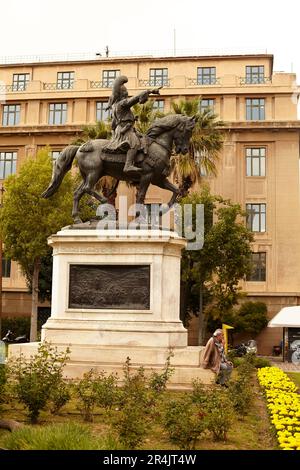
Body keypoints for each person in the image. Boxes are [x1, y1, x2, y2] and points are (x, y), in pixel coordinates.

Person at [103, 75, 160, 175]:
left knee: (143, 139)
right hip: (125, 130)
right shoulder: (122, 103)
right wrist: (149, 91)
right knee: (135, 143)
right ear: (122, 94)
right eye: (125, 92)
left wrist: (132, 119)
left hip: (123, 129)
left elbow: (114, 123)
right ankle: (128, 165)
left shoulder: (115, 106)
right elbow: (134, 99)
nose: (127, 93)